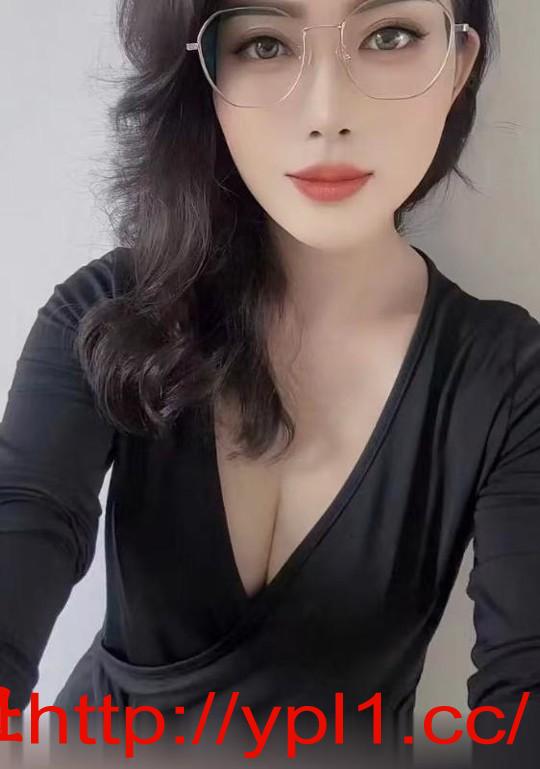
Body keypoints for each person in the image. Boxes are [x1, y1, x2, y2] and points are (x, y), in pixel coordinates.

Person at [1, 0, 538, 766]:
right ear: (205, 73)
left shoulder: (509, 379)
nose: (326, 113)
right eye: (264, 43)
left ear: (459, 65)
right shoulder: (107, 314)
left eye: (388, 35)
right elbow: (24, 526)